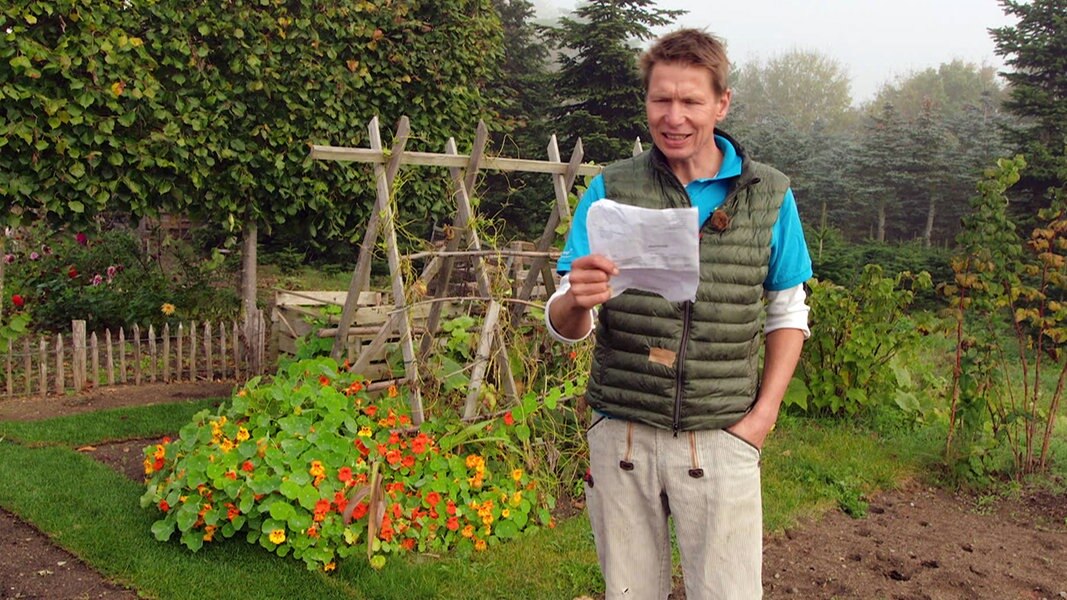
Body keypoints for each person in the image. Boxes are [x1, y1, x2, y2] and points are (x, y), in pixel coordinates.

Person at [545, 28, 813, 599]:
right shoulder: (611, 189)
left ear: (722, 102)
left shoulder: (769, 194)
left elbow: (788, 311)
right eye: (660, 99)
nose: (674, 116)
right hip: (622, 435)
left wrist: (760, 420)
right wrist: (575, 299)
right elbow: (568, 322)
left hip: (722, 436)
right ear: (646, 101)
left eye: (690, 100)